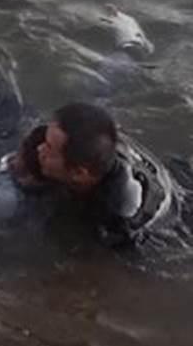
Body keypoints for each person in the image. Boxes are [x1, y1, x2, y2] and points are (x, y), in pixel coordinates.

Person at [19, 102, 172, 249]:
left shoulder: (118, 214)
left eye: (48, 148)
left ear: (79, 173)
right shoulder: (59, 141)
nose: (40, 149)